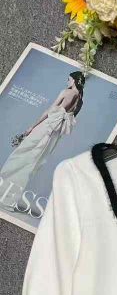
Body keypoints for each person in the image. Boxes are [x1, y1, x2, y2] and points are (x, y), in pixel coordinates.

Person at [0, 71, 85, 212]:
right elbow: (68, 118)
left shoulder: (66, 92)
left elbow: (49, 111)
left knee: (20, 156)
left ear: (75, 80)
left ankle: (3, 194)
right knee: (33, 163)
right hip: (55, 134)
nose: (67, 82)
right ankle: (9, 199)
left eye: (69, 79)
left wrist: (32, 126)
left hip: (46, 127)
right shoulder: (80, 100)